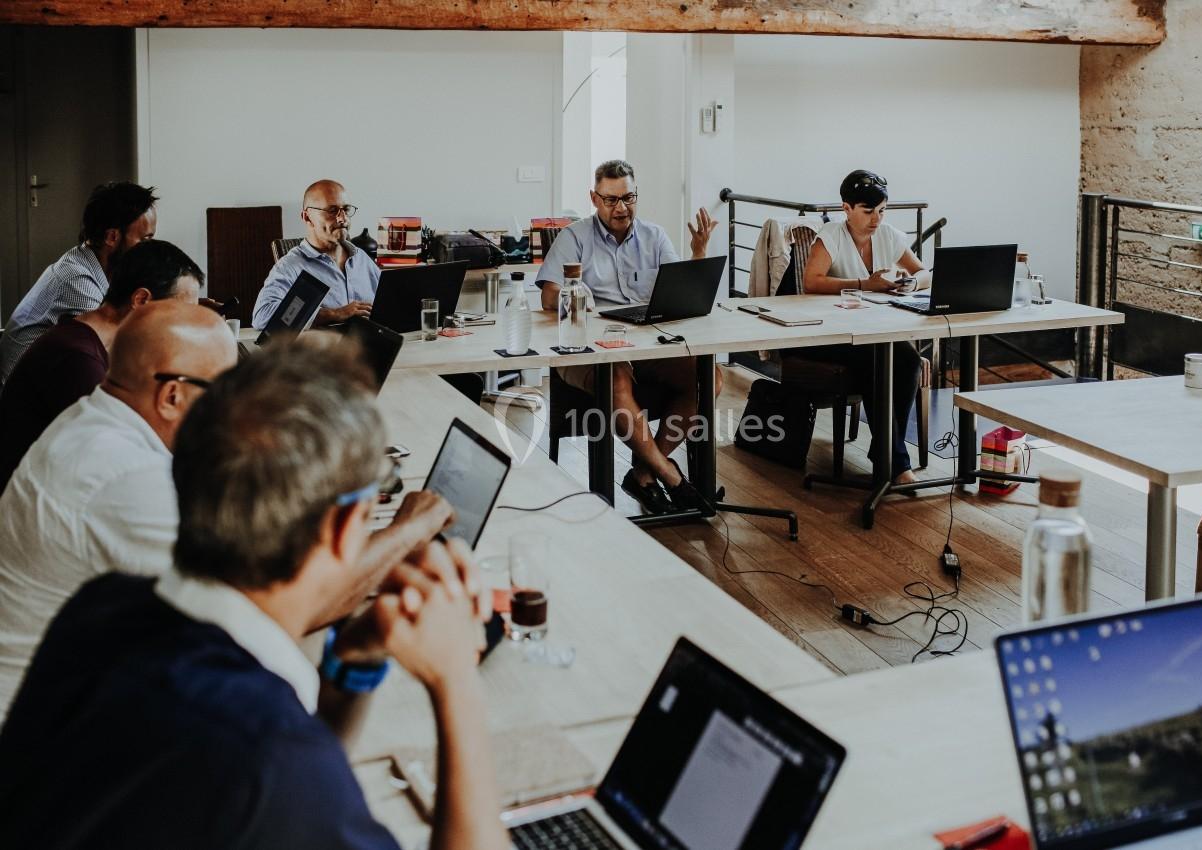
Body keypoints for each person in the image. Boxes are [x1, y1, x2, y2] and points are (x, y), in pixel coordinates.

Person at [0, 339, 505, 849]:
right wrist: (456, 679)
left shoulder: (103, 607)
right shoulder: (269, 761)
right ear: (347, 523)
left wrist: (354, 657)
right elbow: (281, 773)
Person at [0, 308, 453, 720]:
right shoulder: (125, 479)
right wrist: (408, 530)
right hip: (47, 740)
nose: (237, 410)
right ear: (172, 397)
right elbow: (281, 611)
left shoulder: (97, 423)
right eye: (225, 391)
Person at [536, 159, 720, 514]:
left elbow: (679, 290)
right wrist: (582, 300)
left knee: (707, 376)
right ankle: (671, 476)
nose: (621, 208)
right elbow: (548, 296)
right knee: (616, 377)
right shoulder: (574, 237)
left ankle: (645, 473)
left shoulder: (654, 236)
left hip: (646, 342)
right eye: (610, 200)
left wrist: (698, 255)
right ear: (594, 197)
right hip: (588, 350)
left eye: (628, 198)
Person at [0, 239, 203, 489]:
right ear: (141, 300)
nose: (184, 325)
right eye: (181, 312)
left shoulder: (90, 341)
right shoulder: (77, 358)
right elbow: (115, 461)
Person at [802, 169, 930, 484]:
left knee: (909, 360)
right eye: (868, 211)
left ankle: (886, 453)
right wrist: (864, 283)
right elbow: (811, 282)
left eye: (882, 211)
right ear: (847, 209)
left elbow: (926, 272)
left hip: (873, 331)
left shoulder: (889, 236)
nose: (876, 219)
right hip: (830, 334)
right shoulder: (831, 235)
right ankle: (896, 463)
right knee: (881, 363)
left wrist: (912, 283)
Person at [0, 181, 158, 386]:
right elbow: (110, 350)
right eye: (145, 239)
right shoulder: (77, 280)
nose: (149, 248)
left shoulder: (95, 264)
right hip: (23, 399)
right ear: (112, 237)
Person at [253, 179, 379, 330]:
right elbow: (262, 316)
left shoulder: (361, 258)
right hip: (323, 351)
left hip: (372, 348)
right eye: (332, 211)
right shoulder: (291, 266)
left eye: (345, 209)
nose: (342, 218)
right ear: (307, 217)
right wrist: (333, 314)